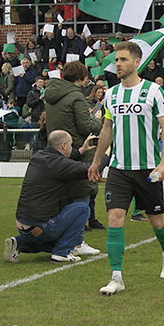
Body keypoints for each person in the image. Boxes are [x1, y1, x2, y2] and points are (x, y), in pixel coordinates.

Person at [88, 41, 164, 295]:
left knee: (157, 221)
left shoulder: (153, 91)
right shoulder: (112, 94)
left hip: (148, 168)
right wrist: (96, 161)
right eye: (116, 60)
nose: (118, 64)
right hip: (119, 168)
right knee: (115, 218)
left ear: (137, 62)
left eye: (123, 59)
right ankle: (116, 277)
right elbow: (107, 129)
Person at [4, 131, 99, 263]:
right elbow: (89, 169)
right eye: (71, 145)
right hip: (41, 227)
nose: (72, 148)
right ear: (64, 145)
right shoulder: (57, 163)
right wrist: (103, 153)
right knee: (82, 208)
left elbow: (65, 160)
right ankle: (61, 253)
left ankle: (19, 243)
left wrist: (82, 150)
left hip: (23, 226)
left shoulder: (39, 156)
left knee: (53, 241)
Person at [45, 61, 104, 233]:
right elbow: (86, 127)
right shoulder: (76, 96)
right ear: (81, 77)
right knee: (82, 193)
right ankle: (76, 237)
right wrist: (99, 120)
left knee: (63, 193)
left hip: (56, 147)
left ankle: (62, 230)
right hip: (77, 147)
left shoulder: (51, 94)